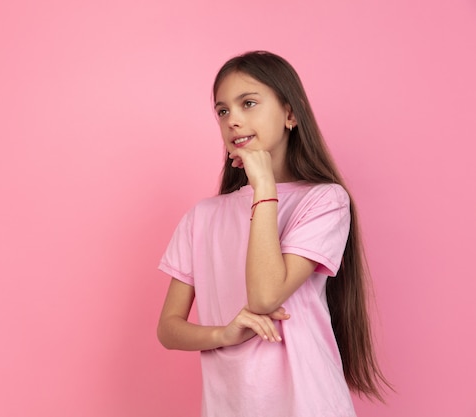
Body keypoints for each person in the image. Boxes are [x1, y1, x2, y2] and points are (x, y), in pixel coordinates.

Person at [157, 51, 391, 417]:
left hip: (308, 404)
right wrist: (222, 334)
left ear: (290, 114)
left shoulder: (325, 200)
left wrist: (263, 185)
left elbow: (264, 296)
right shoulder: (202, 217)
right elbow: (169, 329)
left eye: (248, 103)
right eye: (222, 111)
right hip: (228, 406)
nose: (233, 119)